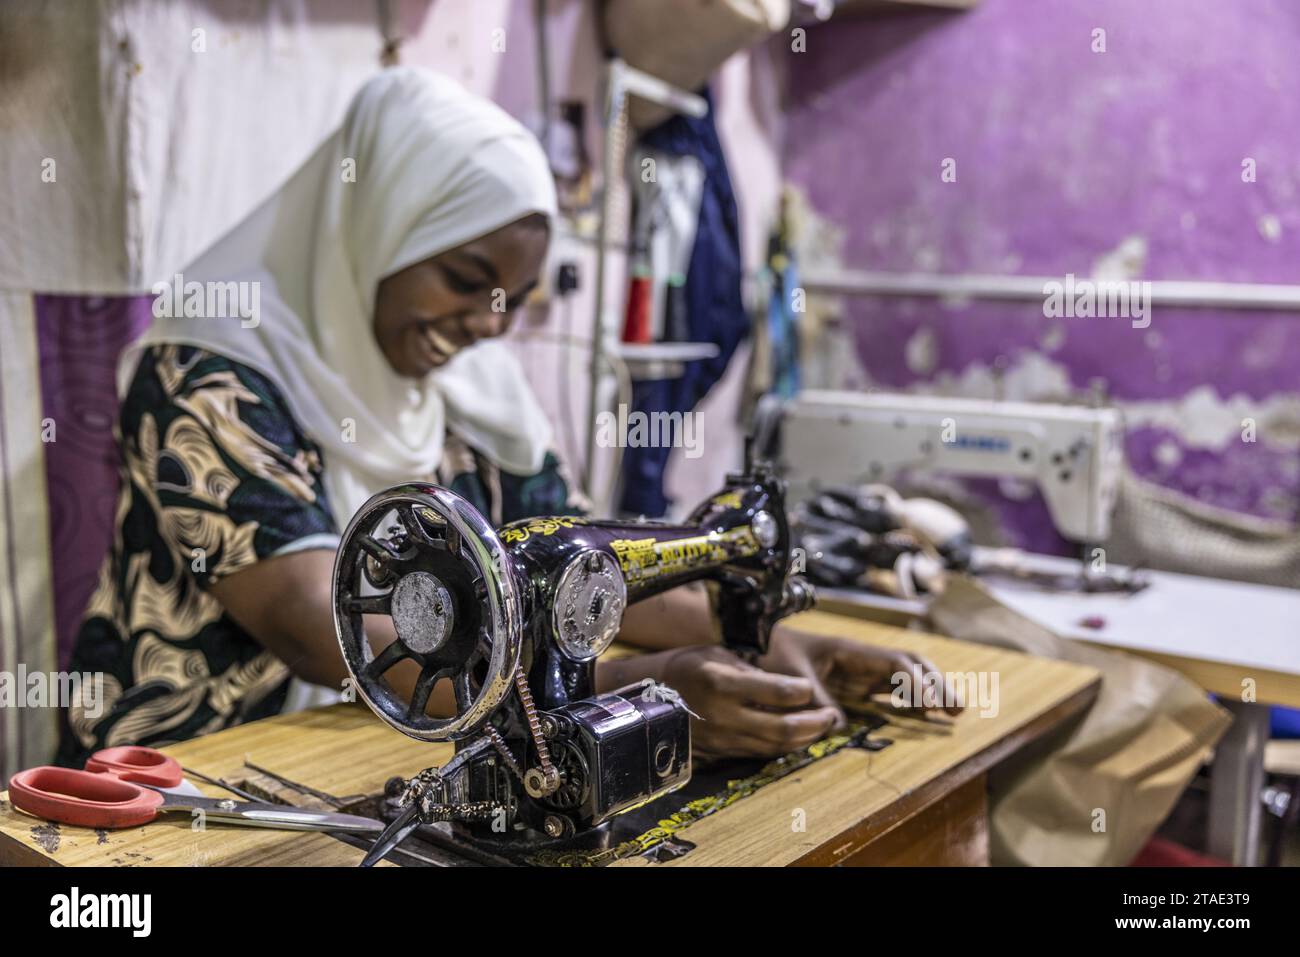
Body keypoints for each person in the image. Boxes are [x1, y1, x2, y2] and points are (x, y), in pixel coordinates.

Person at [59, 67, 957, 768]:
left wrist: (777, 638)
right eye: (463, 279)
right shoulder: (204, 377)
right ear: (376, 225)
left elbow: (582, 573)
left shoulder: (474, 397)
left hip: (393, 761)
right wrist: (636, 691)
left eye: (514, 300)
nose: (489, 324)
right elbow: (338, 635)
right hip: (179, 789)